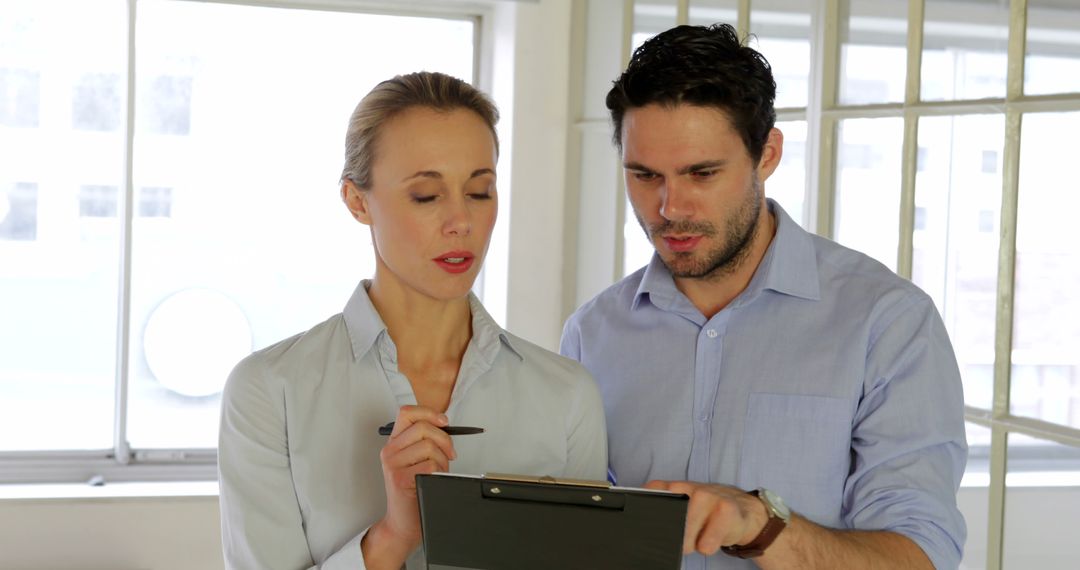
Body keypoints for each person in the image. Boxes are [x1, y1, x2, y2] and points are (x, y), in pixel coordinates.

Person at [560, 23, 967, 570]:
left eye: (701, 173)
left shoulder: (887, 323)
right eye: (644, 174)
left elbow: (920, 556)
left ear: (767, 154)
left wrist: (763, 528)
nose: (670, 207)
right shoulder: (592, 332)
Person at [218, 71, 607, 570]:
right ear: (358, 202)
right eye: (427, 196)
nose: (461, 222)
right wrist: (390, 538)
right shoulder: (269, 392)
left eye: (480, 192)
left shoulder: (567, 396)